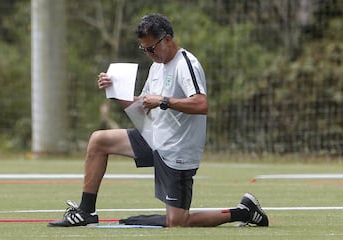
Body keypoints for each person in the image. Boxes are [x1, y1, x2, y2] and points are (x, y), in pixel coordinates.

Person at [48, 13, 269, 228]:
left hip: (178, 150)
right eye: (144, 49)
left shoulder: (186, 63)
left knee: (177, 222)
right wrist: (114, 91)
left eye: (151, 48)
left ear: (168, 39)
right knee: (99, 140)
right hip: (155, 138)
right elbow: (143, 107)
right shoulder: (157, 66)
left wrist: (164, 100)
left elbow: (201, 104)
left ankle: (244, 211)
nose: (149, 54)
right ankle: (86, 212)